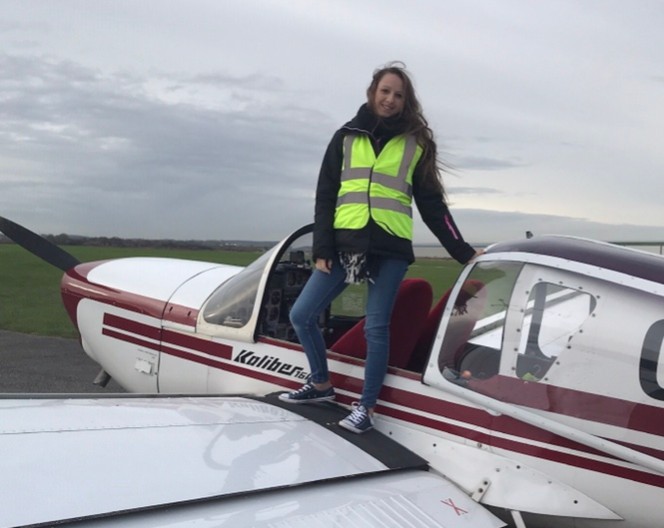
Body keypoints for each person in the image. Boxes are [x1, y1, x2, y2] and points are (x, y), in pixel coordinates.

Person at [279, 62, 481, 433]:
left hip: (389, 246)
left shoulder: (416, 144)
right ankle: (321, 384)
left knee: (376, 328)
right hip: (344, 244)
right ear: (372, 92)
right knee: (301, 315)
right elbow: (326, 195)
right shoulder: (345, 137)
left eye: (398, 95)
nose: (390, 99)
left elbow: (433, 205)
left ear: (406, 102)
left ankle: (366, 409)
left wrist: (463, 251)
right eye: (385, 91)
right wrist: (322, 247)